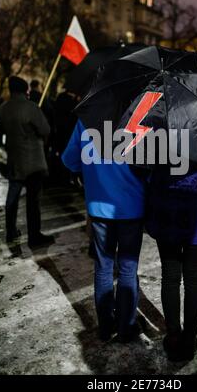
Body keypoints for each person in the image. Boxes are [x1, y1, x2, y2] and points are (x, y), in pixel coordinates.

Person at [62, 119, 146, 343]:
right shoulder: (138, 117)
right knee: (128, 268)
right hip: (132, 206)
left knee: (103, 267)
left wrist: (91, 172)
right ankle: (127, 325)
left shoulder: (85, 120)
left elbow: (69, 159)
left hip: (98, 206)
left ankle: (106, 326)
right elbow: (150, 165)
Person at [145, 157, 197, 362]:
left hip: (165, 207)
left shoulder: (158, 134)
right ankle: (189, 338)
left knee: (170, 276)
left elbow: (147, 166)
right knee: (193, 278)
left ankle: (174, 335)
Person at [0, 76, 54, 247]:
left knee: (12, 198)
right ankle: (34, 237)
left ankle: (11, 231)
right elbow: (45, 129)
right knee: (33, 201)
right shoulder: (30, 108)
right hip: (32, 162)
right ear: (25, 90)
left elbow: (2, 130)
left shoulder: (3, 109)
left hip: (15, 160)